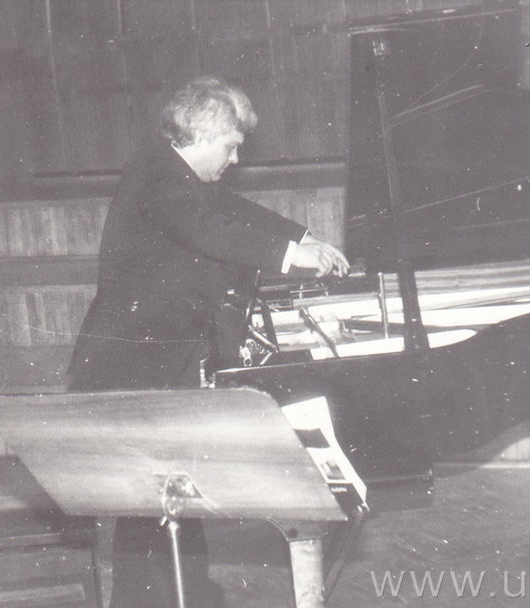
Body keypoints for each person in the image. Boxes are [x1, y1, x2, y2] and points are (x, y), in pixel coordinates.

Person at [68, 76, 350, 608]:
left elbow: (234, 210)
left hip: (157, 358)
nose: (236, 158)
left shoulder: (176, 171)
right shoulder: (159, 175)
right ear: (201, 134)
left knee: (172, 492)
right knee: (152, 502)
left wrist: (303, 236)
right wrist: (291, 258)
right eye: (231, 145)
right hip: (134, 364)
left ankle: (188, 593)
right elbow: (206, 229)